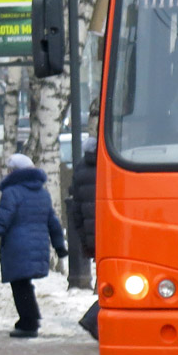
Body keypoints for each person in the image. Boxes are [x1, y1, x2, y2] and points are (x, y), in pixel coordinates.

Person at [0, 153, 67, 338]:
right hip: (37, 245)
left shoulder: (11, 192)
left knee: (19, 285)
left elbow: (2, 219)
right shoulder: (42, 192)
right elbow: (53, 222)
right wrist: (59, 245)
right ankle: (29, 319)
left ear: (14, 171)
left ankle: (29, 323)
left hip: (17, 246)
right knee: (24, 284)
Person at [69, 136, 99, 340]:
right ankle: (92, 319)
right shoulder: (110, 165)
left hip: (93, 235)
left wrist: (85, 239)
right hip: (113, 233)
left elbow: (76, 210)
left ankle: (94, 320)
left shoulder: (80, 170)